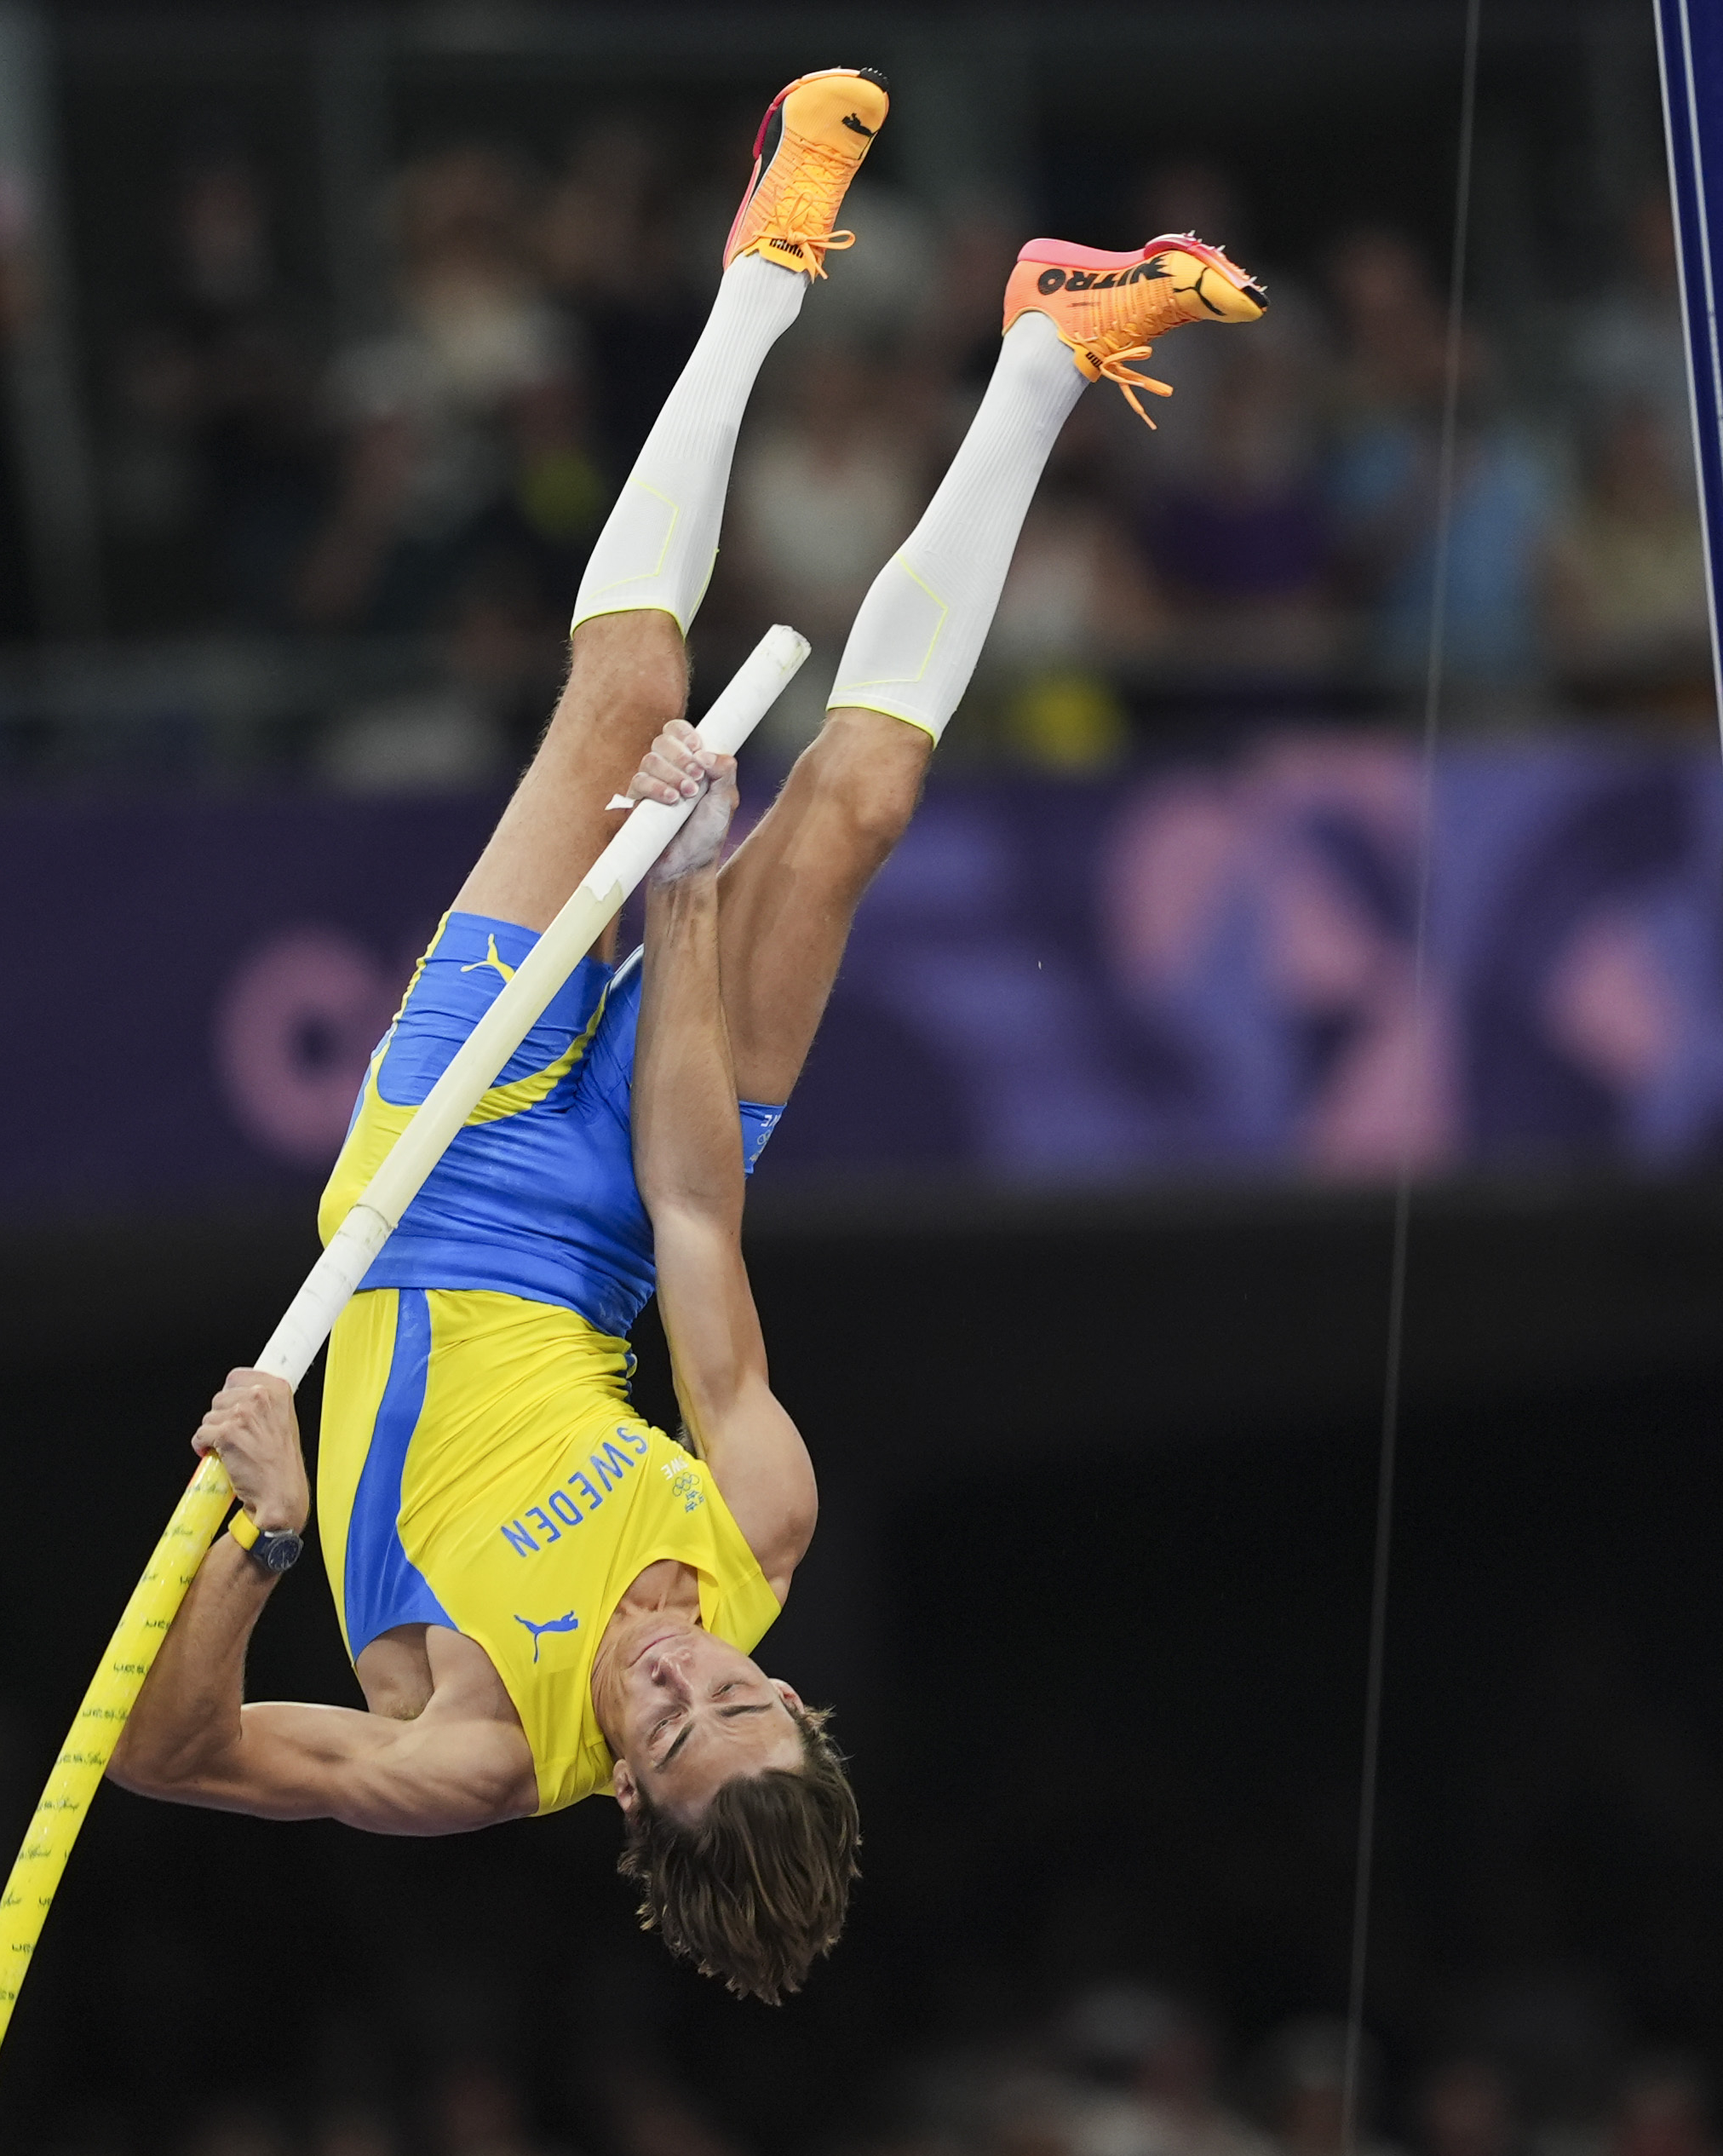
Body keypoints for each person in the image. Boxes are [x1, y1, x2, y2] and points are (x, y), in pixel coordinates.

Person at [109, 66, 1267, 2000]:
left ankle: (750, 279)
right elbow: (697, 1220)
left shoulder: (477, 1752)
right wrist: (686, 893)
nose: (669, 1671)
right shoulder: (760, 1524)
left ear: (628, 1798)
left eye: (662, 1724)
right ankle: (1049, 349)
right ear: (785, 1684)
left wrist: (265, 1528)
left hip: (430, 1185)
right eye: (728, 1687)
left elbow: (174, 1752)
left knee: (631, 681)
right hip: (613, 1222)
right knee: (853, 814)